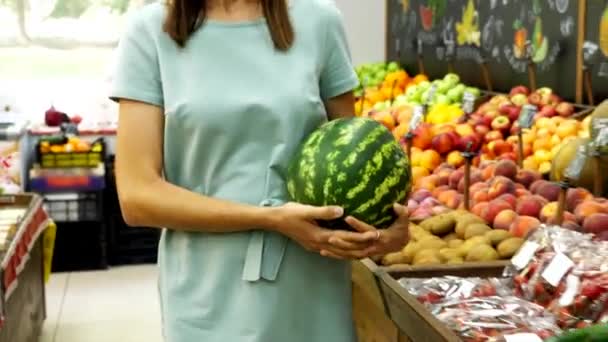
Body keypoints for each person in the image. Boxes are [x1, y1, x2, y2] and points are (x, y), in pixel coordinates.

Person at [110, 0, 409, 341]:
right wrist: (269, 218)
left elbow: (356, 158)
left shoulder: (320, 22)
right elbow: (137, 197)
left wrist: (382, 233)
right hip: (207, 292)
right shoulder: (150, 32)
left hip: (310, 286)